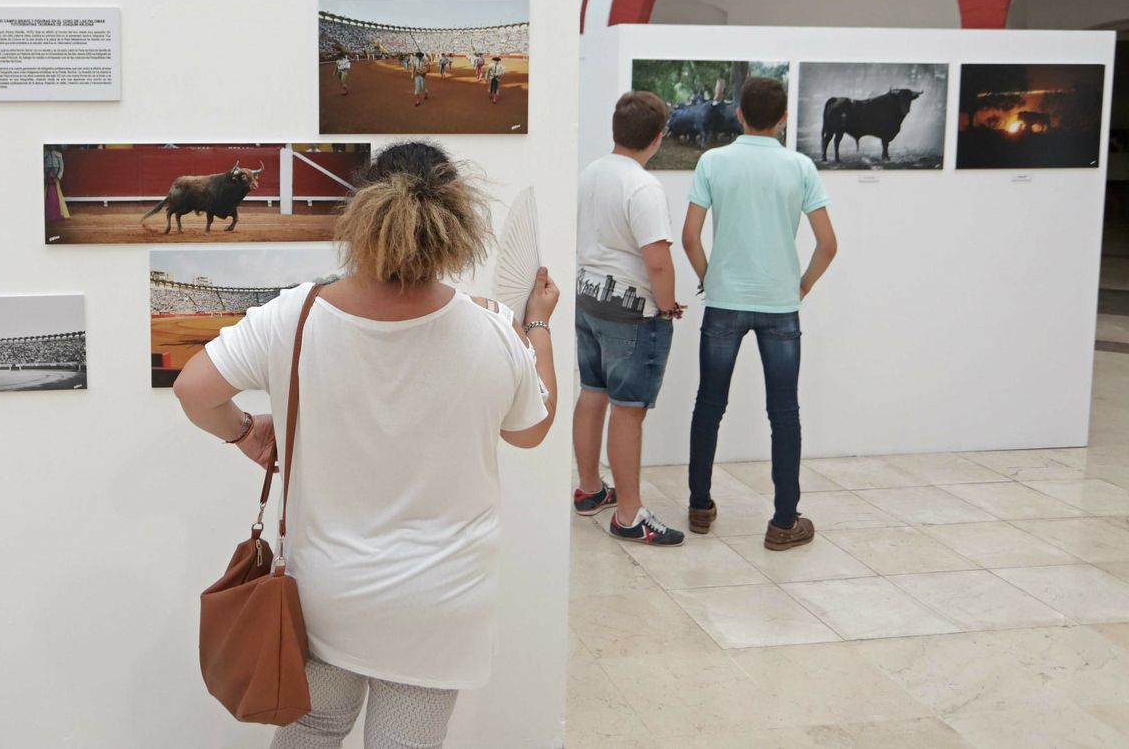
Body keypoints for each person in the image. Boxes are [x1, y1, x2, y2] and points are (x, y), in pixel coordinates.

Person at [173, 141, 559, 748]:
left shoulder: (295, 316)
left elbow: (195, 390)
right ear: (456, 219)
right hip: (442, 598)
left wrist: (247, 432)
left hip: (328, 595)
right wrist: (536, 325)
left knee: (314, 733)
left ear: (362, 212)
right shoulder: (491, 328)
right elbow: (531, 429)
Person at [681, 77, 838, 551]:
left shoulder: (713, 161)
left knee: (709, 404)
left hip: (726, 301)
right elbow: (828, 245)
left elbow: (690, 237)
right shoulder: (801, 166)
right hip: (779, 305)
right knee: (784, 411)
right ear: (784, 117)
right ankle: (784, 521)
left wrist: (711, 278)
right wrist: (802, 285)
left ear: (738, 114)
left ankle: (700, 506)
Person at [572, 91, 685, 544]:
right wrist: (668, 305)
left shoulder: (591, 173)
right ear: (659, 138)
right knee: (628, 410)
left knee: (592, 394)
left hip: (589, 299)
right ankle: (630, 516)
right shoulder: (643, 187)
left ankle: (589, 490)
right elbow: (657, 260)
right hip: (632, 311)